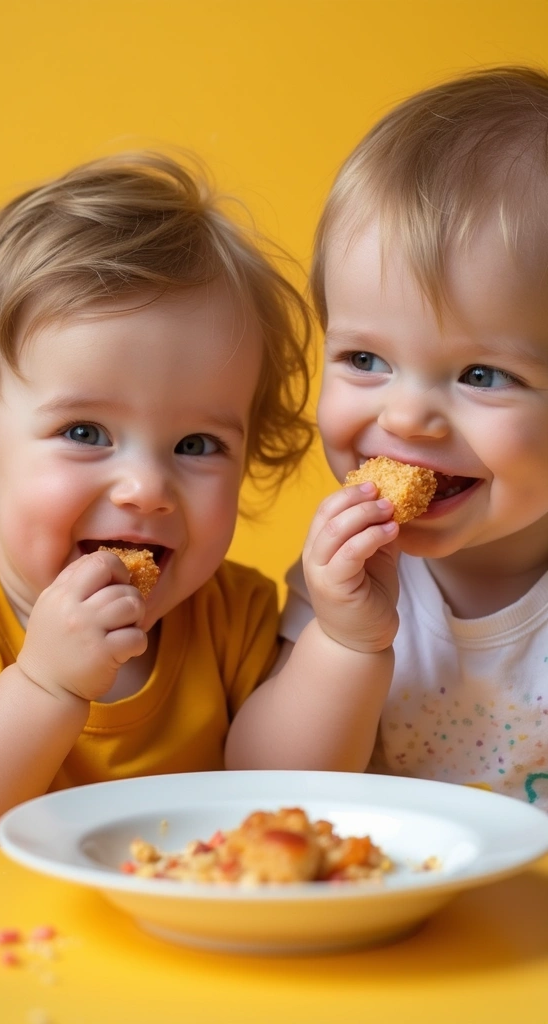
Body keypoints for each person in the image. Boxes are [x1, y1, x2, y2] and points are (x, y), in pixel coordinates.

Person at [227, 67, 548, 813]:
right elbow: (265, 793)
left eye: (481, 373)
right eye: (366, 361)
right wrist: (345, 643)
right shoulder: (353, 577)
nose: (405, 418)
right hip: (398, 920)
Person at [0, 152, 315, 844]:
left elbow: (297, 792)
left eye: (196, 445)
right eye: (85, 432)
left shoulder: (235, 619)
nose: (146, 489)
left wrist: (343, 639)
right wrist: (46, 687)